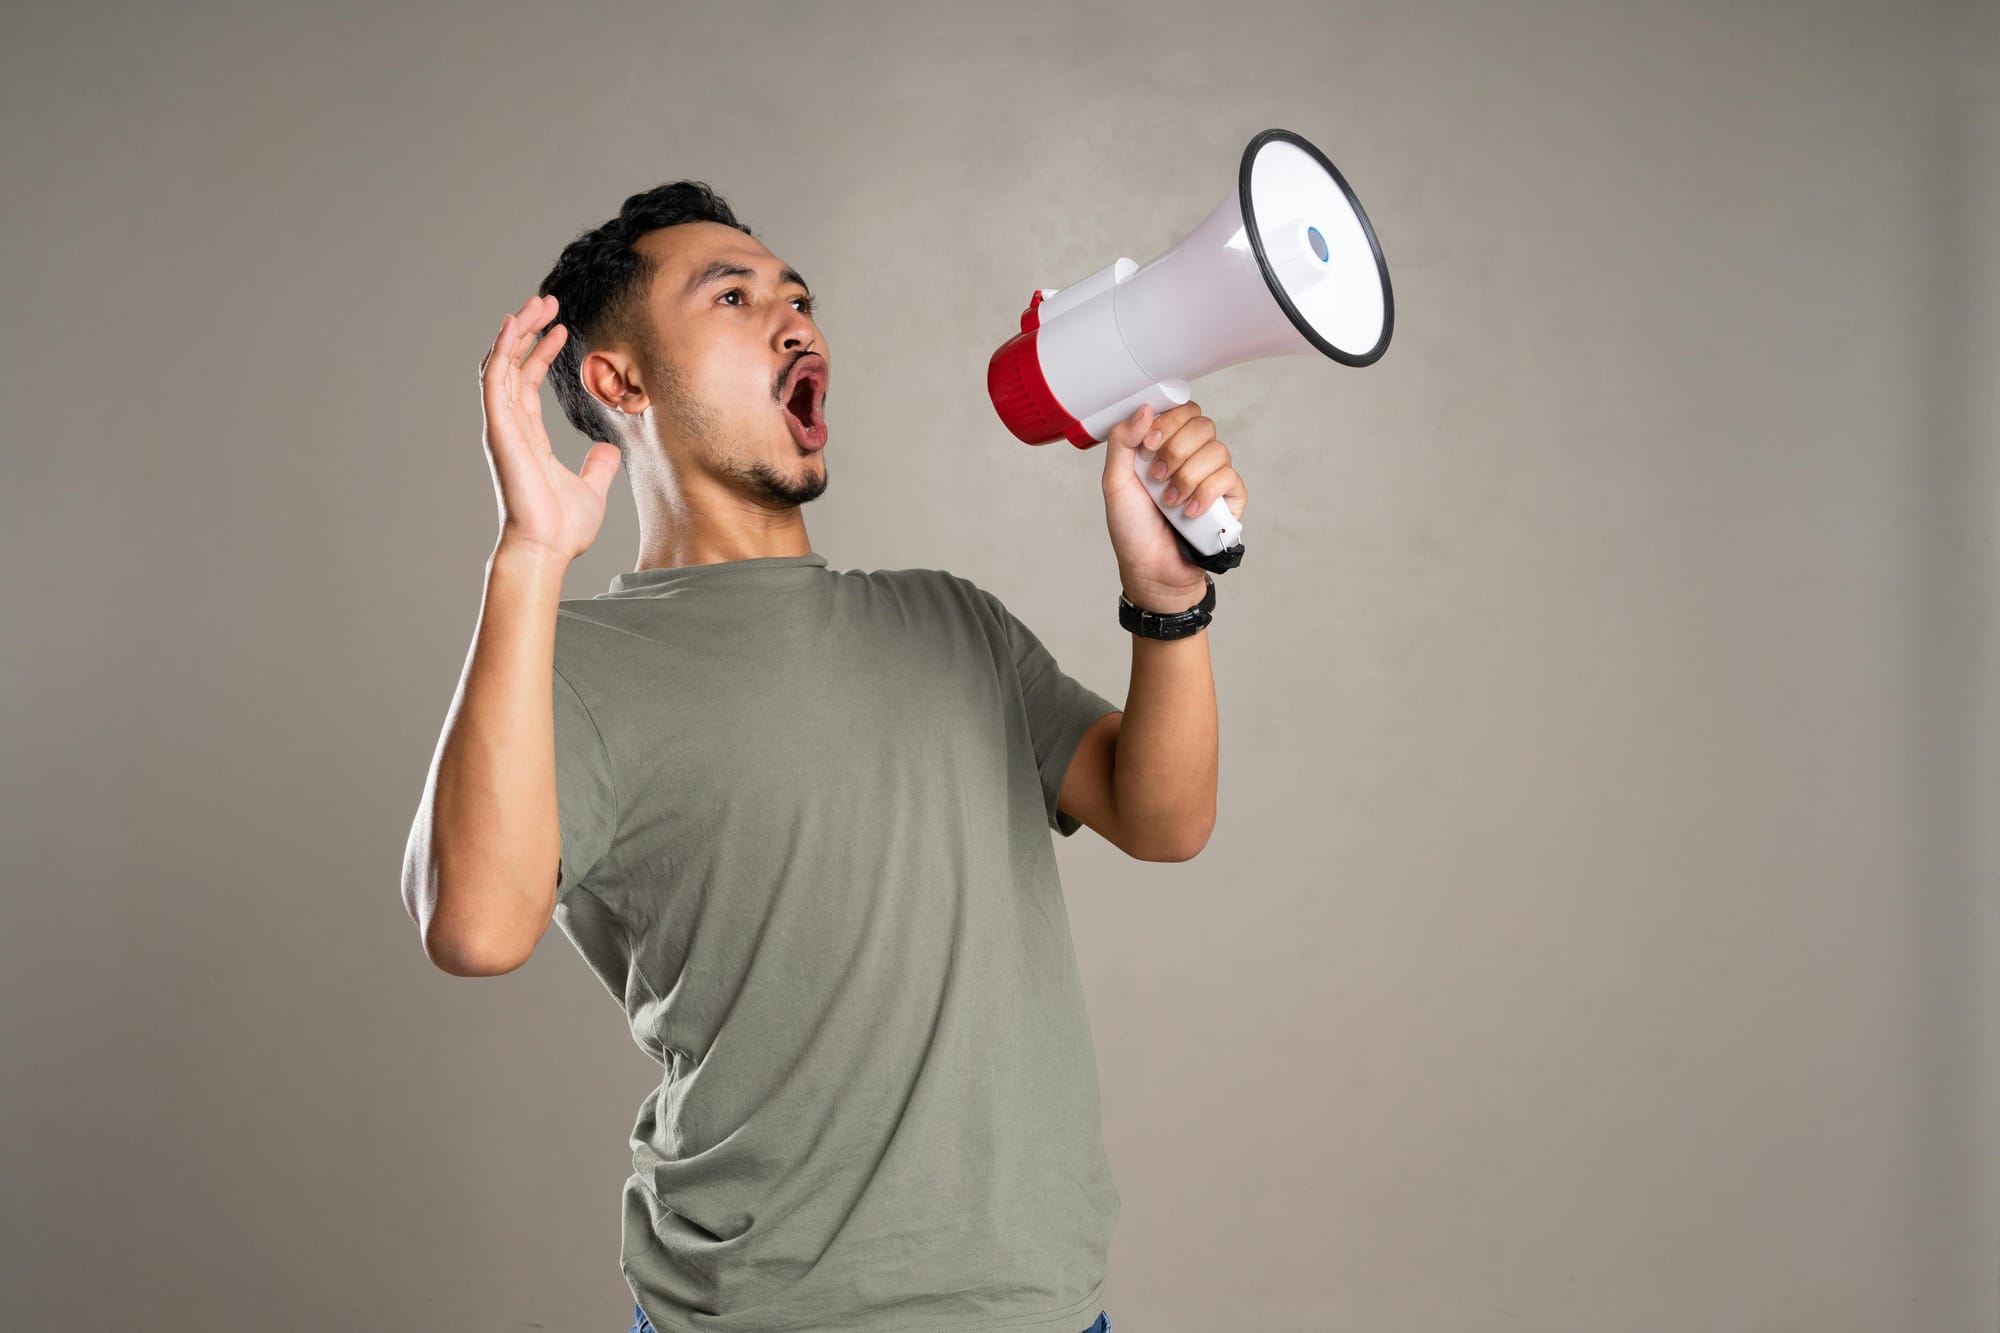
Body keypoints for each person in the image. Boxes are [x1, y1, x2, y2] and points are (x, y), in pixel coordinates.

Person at [401, 180, 1243, 1332]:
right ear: (618, 381)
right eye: (734, 295)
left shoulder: (952, 622)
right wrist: (528, 559)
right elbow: (474, 927)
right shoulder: (559, 663)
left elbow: (1163, 817)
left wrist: (1166, 601)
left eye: (797, 296)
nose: (794, 318)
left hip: (1039, 1311)